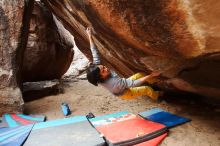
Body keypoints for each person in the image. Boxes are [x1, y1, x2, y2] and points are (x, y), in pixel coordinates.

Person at [86, 27, 162, 100]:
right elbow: (133, 84)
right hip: (126, 93)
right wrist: (151, 75)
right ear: (100, 78)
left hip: (123, 84)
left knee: (140, 74)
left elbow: (94, 52)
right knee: (146, 89)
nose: (106, 68)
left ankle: (156, 82)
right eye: (103, 71)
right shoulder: (115, 83)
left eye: (103, 67)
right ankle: (157, 95)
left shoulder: (97, 69)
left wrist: (89, 36)